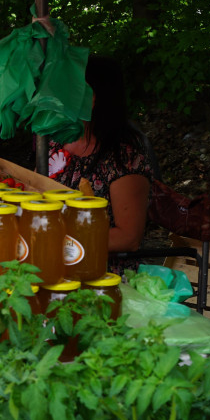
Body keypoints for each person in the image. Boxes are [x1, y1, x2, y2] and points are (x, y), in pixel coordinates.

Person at [44, 55, 155, 272]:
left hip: (102, 273)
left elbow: (128, 238)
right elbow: (33, 189)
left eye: (71, 87)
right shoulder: (57, 140)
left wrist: (60, 240)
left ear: (93, 98)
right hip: (54, 262)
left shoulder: (124, 157)